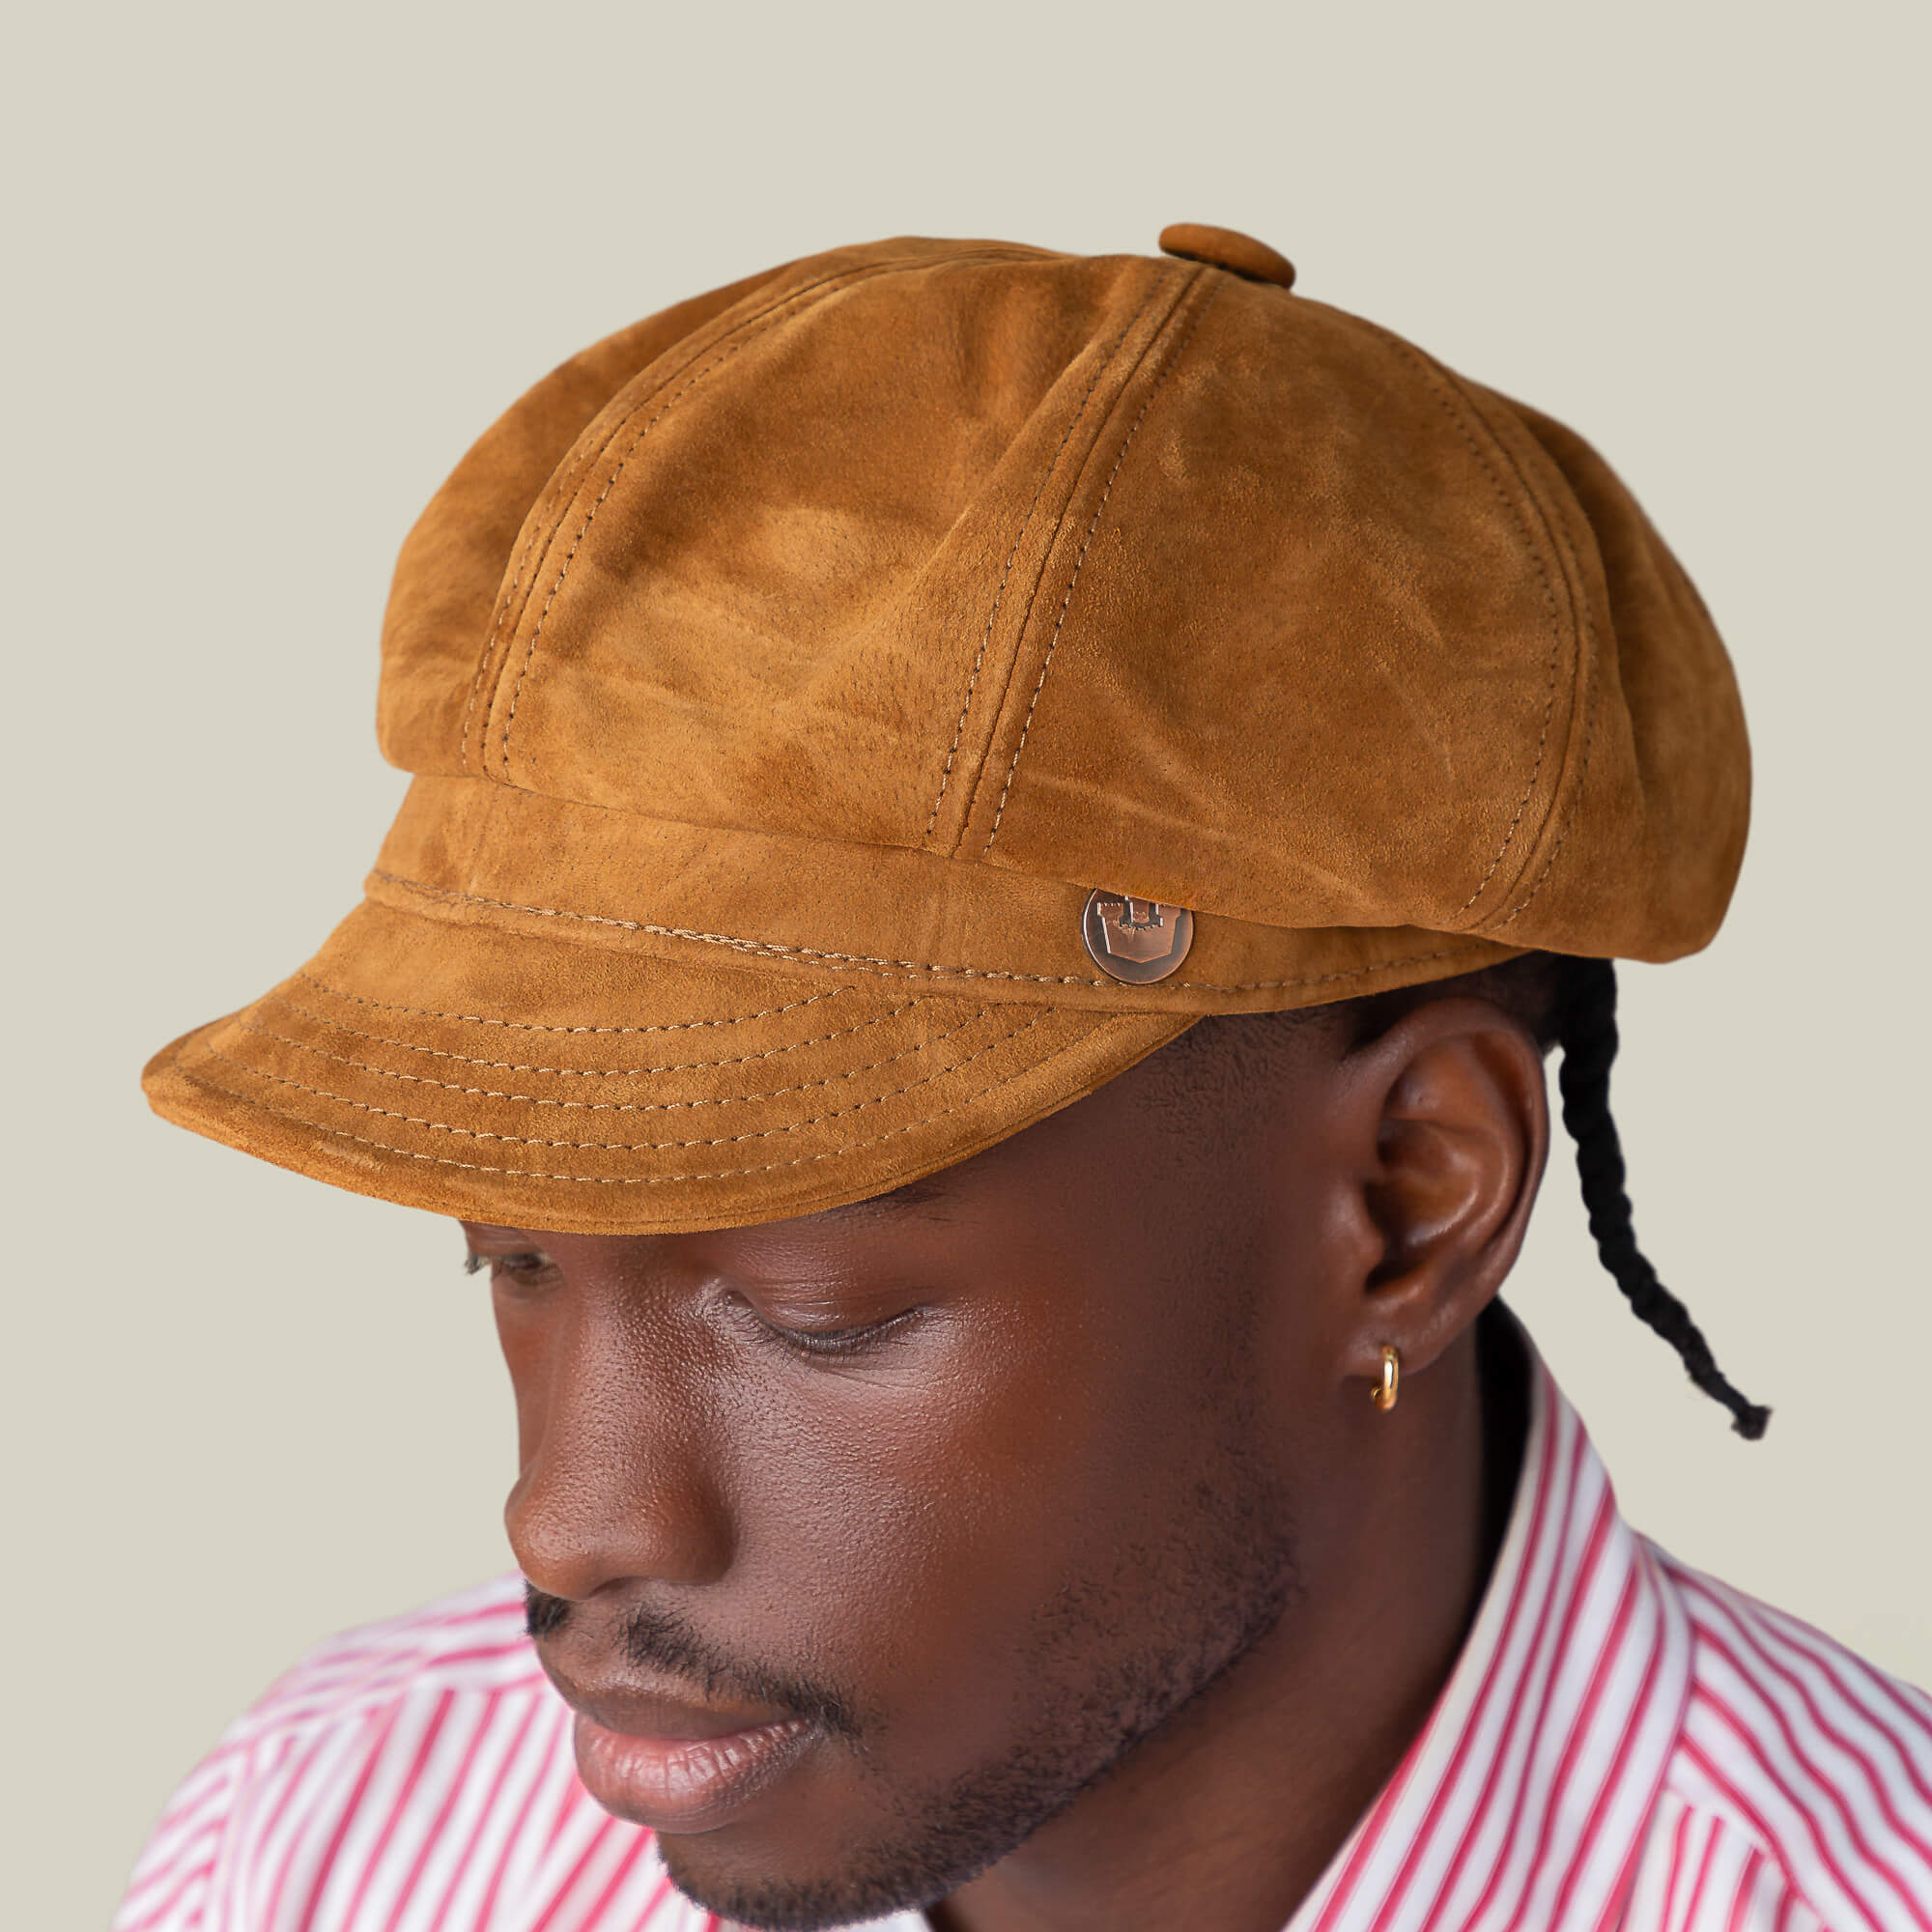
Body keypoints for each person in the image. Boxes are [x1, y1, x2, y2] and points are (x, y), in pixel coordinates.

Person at [116, 226, 1930, 1932]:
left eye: (816, 1315)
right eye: (515, 1261)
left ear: (1407, 1205)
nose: (572, 1524)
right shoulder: (324, 1837)